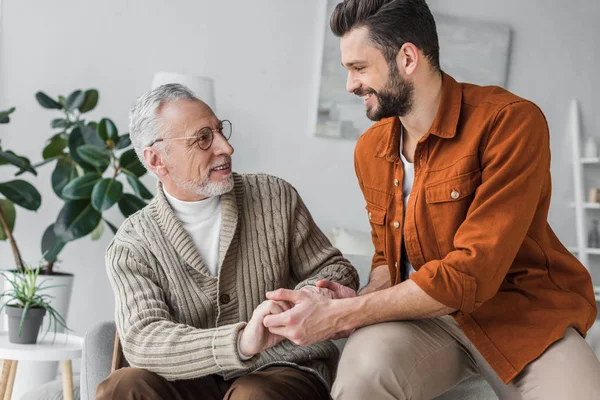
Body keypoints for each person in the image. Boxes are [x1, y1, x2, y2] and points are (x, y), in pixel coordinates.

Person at [264, 1, 600, 398]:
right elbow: (389, 263)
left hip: (521, 313)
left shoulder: (510, 122)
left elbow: (470, 275)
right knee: (360, 379)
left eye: (359, 68)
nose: (351, 85)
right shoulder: (370, 149)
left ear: (407, 58)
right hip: (421, 321)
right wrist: (362, 298)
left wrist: (341, 314)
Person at [95, 83, 358, 400]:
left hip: (281, 370)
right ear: (156, 160)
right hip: (188, 379)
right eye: (203, 138)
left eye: (220, 131)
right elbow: (143, 339)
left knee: (253, 396)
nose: (226, 147)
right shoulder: (132, 244)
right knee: (124, 387)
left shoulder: (275, 196)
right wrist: (241, 341)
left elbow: (336, 270)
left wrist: (298, 299)